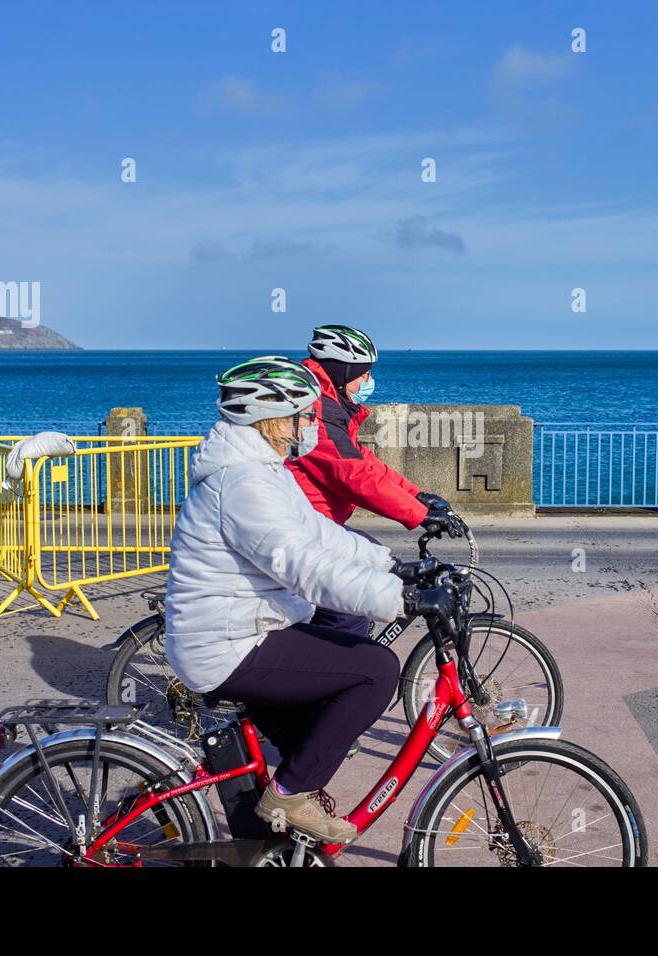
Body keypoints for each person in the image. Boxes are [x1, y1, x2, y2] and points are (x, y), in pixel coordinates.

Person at [163, 355, 443, 843]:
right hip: (226, 643)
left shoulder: (261, 469)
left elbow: (319, 534)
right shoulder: (244, 482)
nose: (312, 424)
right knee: (375, 671)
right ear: (272, 418)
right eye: (304, 415)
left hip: (242, 628)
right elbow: (303, 565)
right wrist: (400, 600)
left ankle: (269, 832)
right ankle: (289, 795)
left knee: (313, 729)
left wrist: (393, 567)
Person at [289, 324, 466, 638]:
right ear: (342, 372)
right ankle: (333, 679)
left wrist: (419, 497)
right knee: (350, 615)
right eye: (364, 373)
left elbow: (365, 463)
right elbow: (352, 475)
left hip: (319, 523)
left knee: (371, 557)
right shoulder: (316, 408)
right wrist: (419, 515)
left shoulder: (330, 403)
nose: (368, 381)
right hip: (304, 527)